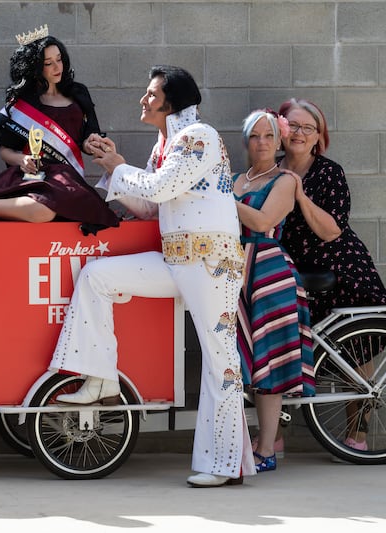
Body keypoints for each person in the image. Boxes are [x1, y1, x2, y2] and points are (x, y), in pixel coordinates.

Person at [46, 64, 256, 487]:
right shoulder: (166, 143)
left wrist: (120, 166)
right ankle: (101, 376)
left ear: (172, 101)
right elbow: (149, 207)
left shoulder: (199, 136)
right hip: (176, 261)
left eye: (151, 94)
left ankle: (223, 464)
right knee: (97, 276)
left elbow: (158, 188)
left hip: (210, 263)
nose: (144, 99)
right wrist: (111, 167)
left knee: (220, 361)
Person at [0, 26, 119, 233]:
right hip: (33, 176)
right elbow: (6, 151)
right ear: (35, 68)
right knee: (42, 211)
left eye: (59, 59)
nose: (57, 67)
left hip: (67, 177)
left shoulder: (78, 93)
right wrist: (22, 160)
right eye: (48, 63)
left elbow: (86, 138)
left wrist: (92, 144)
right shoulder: (22, 104)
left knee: (55, 212)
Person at [277, 97, 386, 451]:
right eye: (293, 125)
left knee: (358, 356)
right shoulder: (270, 168)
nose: (299, 133)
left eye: (308, 128)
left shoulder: (328, 172)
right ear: (280, 129)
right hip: (295, 268)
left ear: (317, 137)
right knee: (279, 344)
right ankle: (272, 434)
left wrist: (298, 192)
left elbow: (331, 231)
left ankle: (358, 435)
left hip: (341, 264)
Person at [232, 109, 315, 472]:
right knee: (240, 361)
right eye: (255, 136)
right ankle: (246, 443)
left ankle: (266, 449)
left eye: (269, 136)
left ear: (279, 141)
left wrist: (219, 200)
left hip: (268, 272)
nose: (262, 143)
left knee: (268, 363)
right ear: (247, 141)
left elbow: (264, 220)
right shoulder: (235, 179)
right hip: (233, 271)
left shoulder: (285, 180)